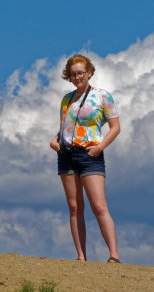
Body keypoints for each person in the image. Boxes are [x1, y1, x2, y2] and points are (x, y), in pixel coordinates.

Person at [50, 54, 121, 263]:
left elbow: (115, 128)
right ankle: (81, 257)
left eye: (80, 73)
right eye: (73, 74)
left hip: (90, 155)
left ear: (89, 72)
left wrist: (99, 147)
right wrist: (54, 141)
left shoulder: (102, 96)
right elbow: (66, 127)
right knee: (74, 207)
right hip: (66, 154)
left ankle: (114, 255)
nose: (77, 77)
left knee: (99, 206)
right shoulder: (67, 99)